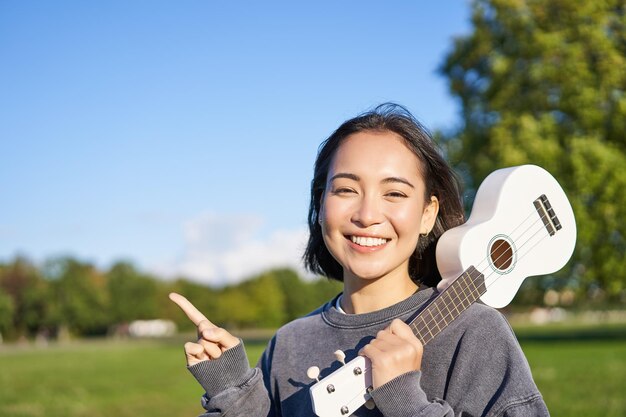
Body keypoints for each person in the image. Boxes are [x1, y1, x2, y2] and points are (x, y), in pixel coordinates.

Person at [170, 104, 549, 416]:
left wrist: (405, 400)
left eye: (395, 194)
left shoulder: (475, 332)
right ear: (320, 206)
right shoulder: (289, 343)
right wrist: (234, 391)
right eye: (347, 189)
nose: (367, 214)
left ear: (427, 214)